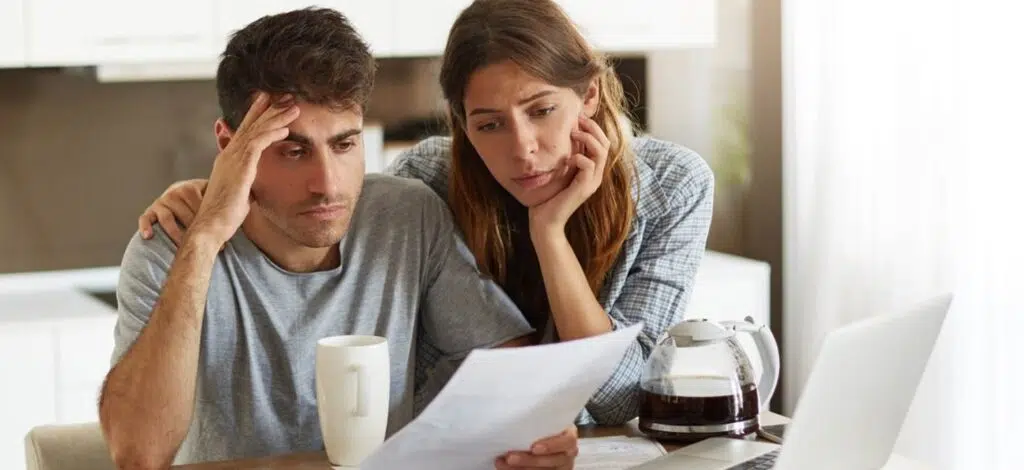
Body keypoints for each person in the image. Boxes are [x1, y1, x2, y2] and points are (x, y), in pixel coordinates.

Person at [139, 0, 715, 431]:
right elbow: (323, 205)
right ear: (460, 120)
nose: (522, 149)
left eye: (541, 110)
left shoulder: (673, 186)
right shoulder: (430, 179)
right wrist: (221, 191)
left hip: (573, 448)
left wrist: (550, 234)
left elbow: (618, 399)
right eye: (489, 124)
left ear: (587, 95)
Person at [100, 8, 578, 470]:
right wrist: (204, 240)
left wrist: (538, 430)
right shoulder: (171, 244)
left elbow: (512, 378)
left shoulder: (407, 217)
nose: (327, 184)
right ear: (230, 147)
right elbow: (139, 455)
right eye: (293, 150)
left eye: (345, 144)